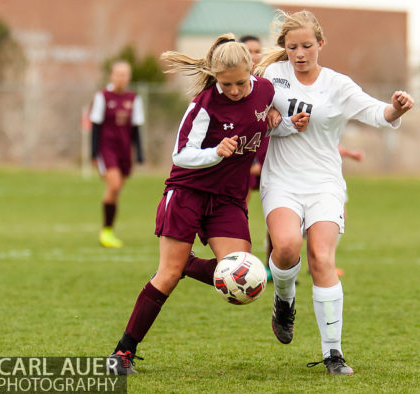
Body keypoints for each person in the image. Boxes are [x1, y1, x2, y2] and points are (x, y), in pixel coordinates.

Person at [106, 34, 306, 375]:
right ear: (216, 78)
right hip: (187, 193)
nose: (235, 90)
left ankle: (186, 263)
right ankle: (123, 352)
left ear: (252, 72)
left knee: (243, 272)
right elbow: (181, 155)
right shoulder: (203, 105)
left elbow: (267, 124)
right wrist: (216, 152)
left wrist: (284, 122)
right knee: (167, 274)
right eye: (226, 84)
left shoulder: (264, 90)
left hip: (228, 199)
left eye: (241, 82)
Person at [254, 10, 414, 375]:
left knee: (321, 258)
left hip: (325, 183)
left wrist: (396, 109)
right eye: (292, 46)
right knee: (285, 247)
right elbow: (251, 110)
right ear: (285, 48)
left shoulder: (337, 85)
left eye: (307, 45)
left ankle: (333, 354)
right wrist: (268, 118)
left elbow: (376, 112)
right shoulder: (271, 77)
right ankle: (284, 300)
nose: (299, 53)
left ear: (320, 44)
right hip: (281, 180)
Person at [90, 61, 145, 248]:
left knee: (115, 191)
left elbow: (136, 128)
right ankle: (106, 231)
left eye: (125, 74)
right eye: (118, 74)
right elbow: (95, 126)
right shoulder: (103, 96)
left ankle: (108, 231)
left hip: (124, 150)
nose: (121, 77)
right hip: (107, 149)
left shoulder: (134, 99)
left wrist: (139, 153)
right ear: (111, 76)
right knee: (113, 185)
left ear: (129, 77)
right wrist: (93, 153)